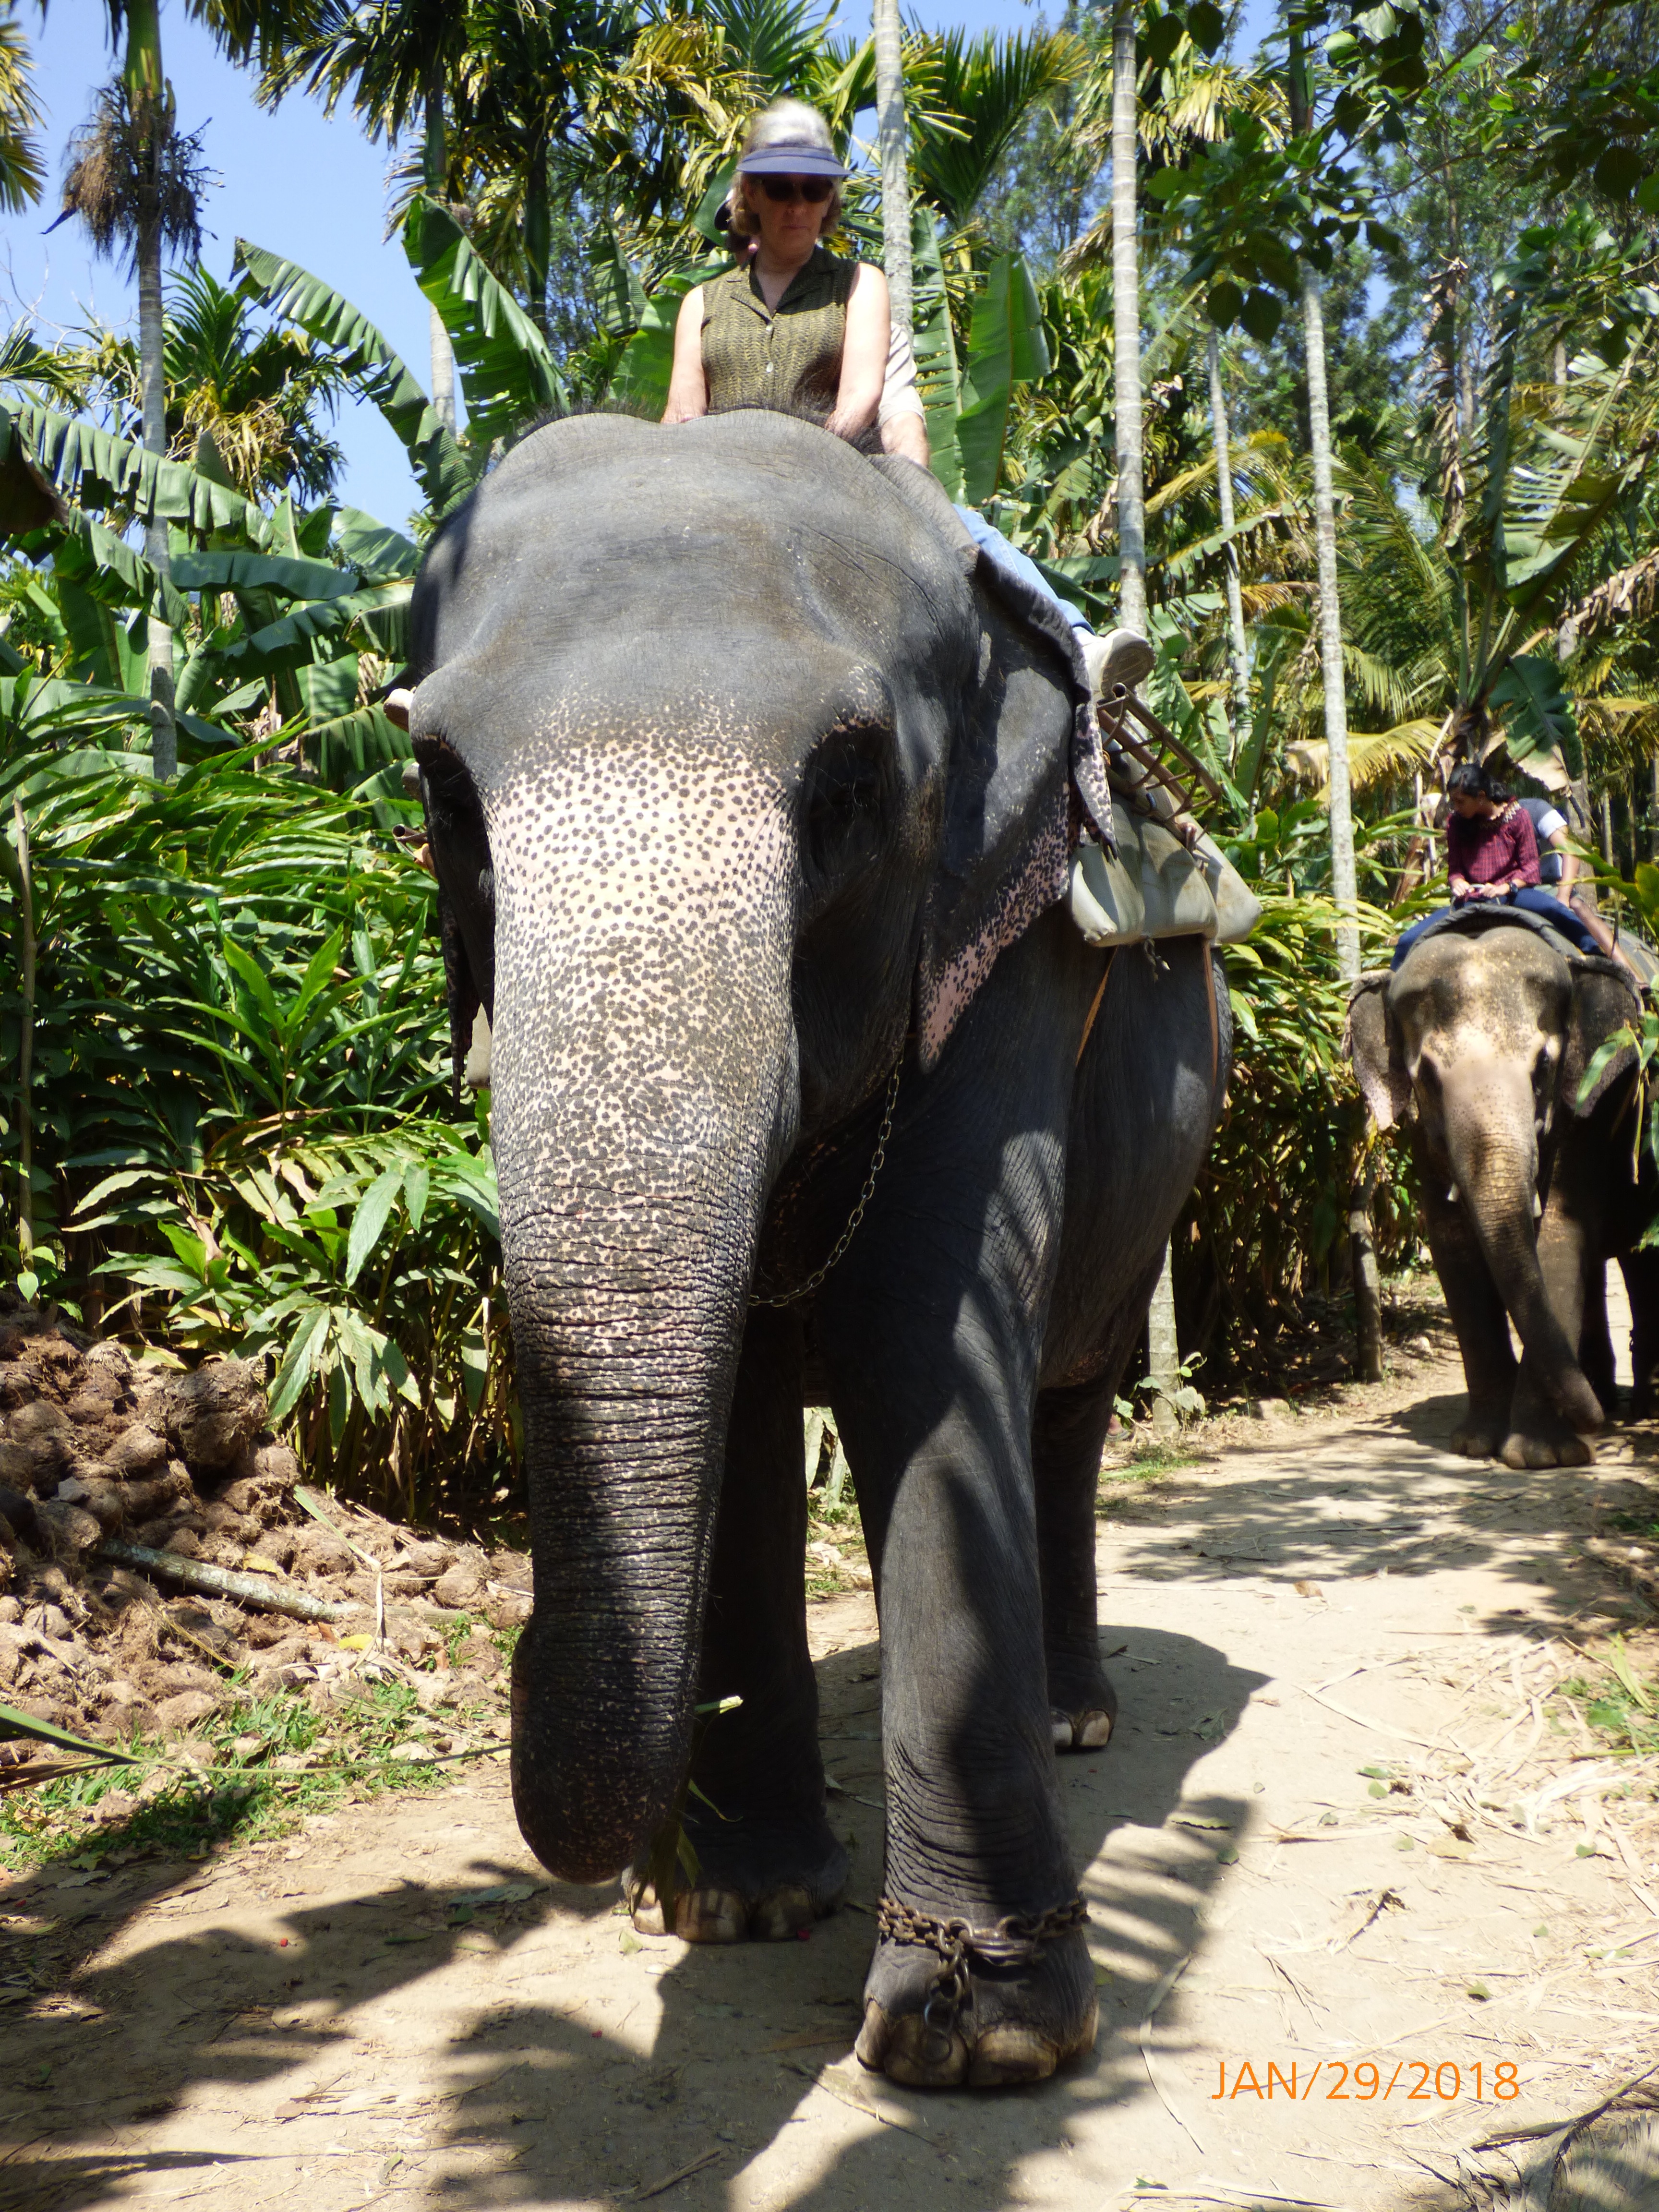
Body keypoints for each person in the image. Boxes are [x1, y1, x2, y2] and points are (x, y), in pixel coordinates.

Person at [665, 99, 1152, 701]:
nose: (797, 204)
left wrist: (800, 476)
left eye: (814, 190)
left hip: (842, 475)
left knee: (957, 525)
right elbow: (681, 419)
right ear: (750, 195)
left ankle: (1080, 643)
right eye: (780, 187)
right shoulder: (702, 303)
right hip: (722, 489)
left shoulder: (859, 284)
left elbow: (860, 399)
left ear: (829, 202)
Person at [1393, 760, 1601, 967]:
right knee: (1407, 941)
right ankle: (1390, 980)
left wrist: (1505, 887)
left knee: (1557, 912)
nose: (1456, 808)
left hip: (1513, 896)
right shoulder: (1456, 823)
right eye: (1454, 802)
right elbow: (1455, 869)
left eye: (1461, 802)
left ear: (1481, 797)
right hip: (1472, 899)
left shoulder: (1518, 817)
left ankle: (1598, 962)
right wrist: (1458, 882)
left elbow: (1531, 869)